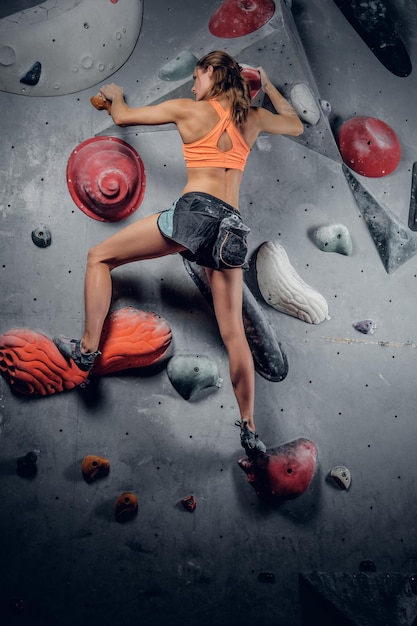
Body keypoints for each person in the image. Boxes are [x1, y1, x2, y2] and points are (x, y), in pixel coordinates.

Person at [54, 51, 303, 455]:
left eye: (197, 76)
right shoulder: (253, 119)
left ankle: (85, 352)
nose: (192, 85)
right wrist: (268, 82)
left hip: (195, 214)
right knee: (234, 333)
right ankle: (250, 429)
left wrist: (116, 94)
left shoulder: (189, 110)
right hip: (231, 228)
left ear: (213, 74)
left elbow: (123, 117)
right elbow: (294, 123)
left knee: (100, 257)